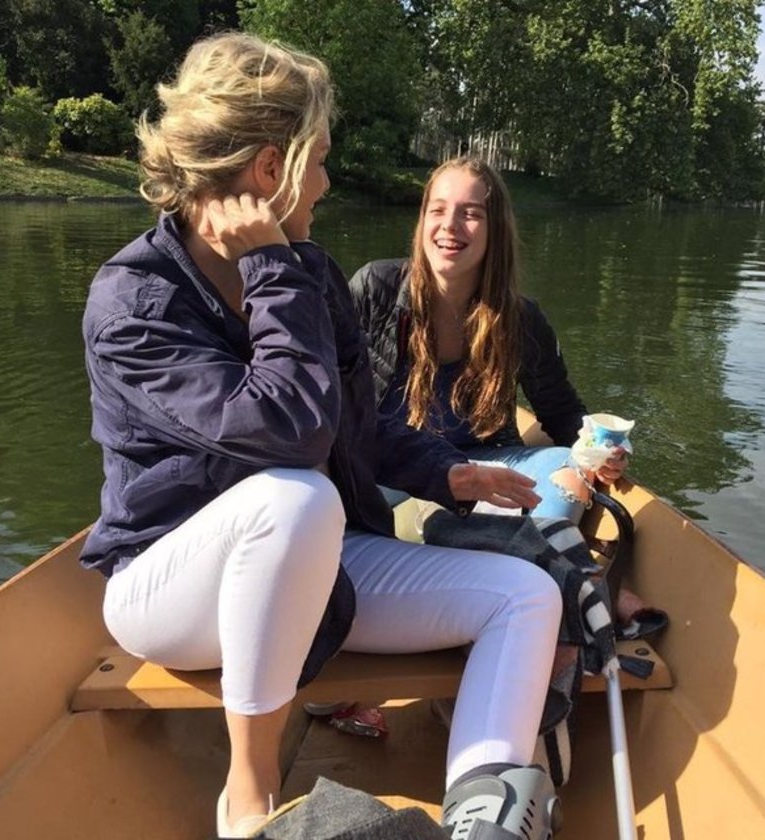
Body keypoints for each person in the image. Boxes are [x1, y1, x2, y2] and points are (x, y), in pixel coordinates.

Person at [80, 34, 562, 840]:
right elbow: (292, 434)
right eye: (322, 160)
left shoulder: (309, 271)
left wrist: (447, 474)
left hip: (315, 563)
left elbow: (355, 421)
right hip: (168, 593)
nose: (328, 182)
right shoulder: (135, 301)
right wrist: (273, 270)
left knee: (525, 594)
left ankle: (484, 817)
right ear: (273, 168)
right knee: (295, 498)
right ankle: (248, 794)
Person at [349, 156, 628, 536]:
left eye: (470, 214)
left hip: (483, 464)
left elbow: (561, 413)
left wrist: (599, 451)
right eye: (438, 210)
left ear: (495, 229)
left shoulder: (521, 319)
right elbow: (333, 401)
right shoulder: (375, 288)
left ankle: (478, 537)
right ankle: (486, 540)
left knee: (567, 465)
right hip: (392, 468)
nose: (449, 225)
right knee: (335, 491)